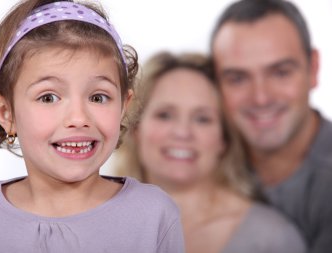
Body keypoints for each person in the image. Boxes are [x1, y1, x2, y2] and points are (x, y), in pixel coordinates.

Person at [0, 1, 185, 252]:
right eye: (48, 97)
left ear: (123, 106)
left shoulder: (153, 215)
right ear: (6, 112)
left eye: (98, 97)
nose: (78, 118)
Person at [114, 51, 306, 253]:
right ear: (136, 128)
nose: (182, 132)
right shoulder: (95, 222)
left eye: (202, 118)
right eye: (165, 115)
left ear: (223, 139)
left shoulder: (271, 239)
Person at [210, 0, 332, 252]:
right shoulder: (201, 160)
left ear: (314, 68)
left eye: (280, 72)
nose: (261, 98)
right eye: (238, 78)